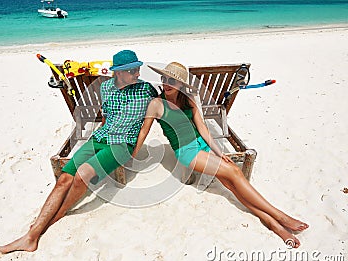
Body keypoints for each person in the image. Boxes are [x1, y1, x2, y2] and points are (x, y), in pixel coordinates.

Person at [0, 50, 158, 253]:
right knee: (64, 179)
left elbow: (148, 123)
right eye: (133, 70)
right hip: (100, 137)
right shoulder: (105, 87)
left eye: (138, 69)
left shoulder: (147, 90)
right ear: (119, 73)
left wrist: (134, 151)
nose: (137, 73)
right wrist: (100, 136)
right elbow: (106, 117)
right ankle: (31, 237)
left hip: (122, 145)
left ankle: (58, 214)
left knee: (81, 177)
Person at [132, 62, 309, 248]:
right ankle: (279, 215)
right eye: (164, 79)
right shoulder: (156, 104)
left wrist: (219, 152)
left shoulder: (189, 98)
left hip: (201, 145)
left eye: (172, 81)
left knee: (232, 185)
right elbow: (144, 132)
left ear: (181, 85)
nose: (166, 84)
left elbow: (202, 128)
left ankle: (274, 224)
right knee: (234, 172)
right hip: (186, 151)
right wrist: (133, 155)